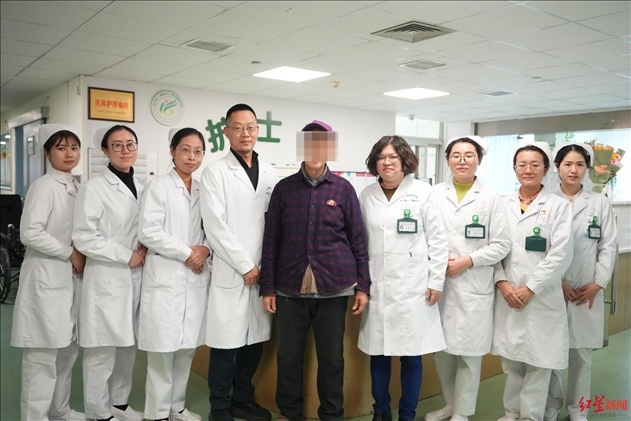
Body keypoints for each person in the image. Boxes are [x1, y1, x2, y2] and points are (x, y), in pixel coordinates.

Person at [259, 119, 370, 421]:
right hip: (289, 287)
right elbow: (271, 239)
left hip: (334, 287)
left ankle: (332, 415)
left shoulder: (343, 189)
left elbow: (358, 240)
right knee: (288, 357)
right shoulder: (284, 189)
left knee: (332, 358)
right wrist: (267, 287)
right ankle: (290, 414)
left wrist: (363, 286)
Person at [357, 135, 448, 421]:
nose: (387, 162)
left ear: (404, 160)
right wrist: (362, 284)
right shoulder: (367, 195)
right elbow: (360, 241)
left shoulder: (423, 192)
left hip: (414, 286)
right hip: (378, 284)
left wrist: (436, 281)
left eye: (393, 157)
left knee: (411, 354)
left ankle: (407, 414)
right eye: (381, 157)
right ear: (375, 162)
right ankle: (381, 410)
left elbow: (438, 240)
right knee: (379, 352)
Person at [199, 104, 277, 421]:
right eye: (238, 127)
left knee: (254, 342)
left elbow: (274, 223)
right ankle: (219, 405)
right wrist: (245, 265)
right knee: (225, 344)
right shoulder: (215, 172)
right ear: (226, 132)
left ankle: (243, 399)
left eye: (251, 127)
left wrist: (265, 266)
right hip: (233, 271)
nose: (245, 133)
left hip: (263, 271)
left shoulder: (270, 173)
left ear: (258, 131)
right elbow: (215, 226)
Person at [425, 136, 510, 421]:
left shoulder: (491, 198)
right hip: (438, 282)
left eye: (469, 155)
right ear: (447, 159)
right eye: (456, 155)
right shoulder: (434, 194)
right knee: (441, 352)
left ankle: (462, 412)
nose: (462, 161)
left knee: (469, 354)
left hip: (473, 281)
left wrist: (467, 260)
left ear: (479, 160)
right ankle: (450, 404)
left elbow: (501, 244)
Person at [492, 141, 573, 421]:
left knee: (539, 363)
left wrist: (530, 288)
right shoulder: (501, 203)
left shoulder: (559, 206)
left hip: (541, 296)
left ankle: (530, 416)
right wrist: (502, 282)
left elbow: (561, 254)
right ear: (514, 168)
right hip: (507, 293)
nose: (528, 169)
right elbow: (493, 247)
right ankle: (511, 412)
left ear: (546, 170)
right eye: (522, 164)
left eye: (535, 164)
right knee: (511, 361)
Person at [10, 124, 86, 421]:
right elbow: (30, 233)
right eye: (61, 148)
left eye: (74, 148)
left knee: (67, 351)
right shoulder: (44, 186)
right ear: (47, 153)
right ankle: (35, 416)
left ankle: (60, 410)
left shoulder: (76, 186)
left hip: (69, 280)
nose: (69, 154)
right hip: (46, 278)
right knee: (42, 355)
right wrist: (70, 252)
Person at [72, 125, 146, 421]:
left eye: (130, 144)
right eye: (117, 145)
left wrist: (145, 247)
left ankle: (119, 403)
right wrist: (126, 255)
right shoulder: (94, 188)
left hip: (136, 277)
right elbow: (83, 237)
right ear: (105, 151)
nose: (125, 150)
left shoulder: (142, 186)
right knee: (102, 350)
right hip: (107, 276)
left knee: (128, 345)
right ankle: (96, 411)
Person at [137, 128, 211, 421]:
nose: (192, 157)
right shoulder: (159, 186)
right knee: (161, 352)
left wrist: (205, 249)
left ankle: (176, 407)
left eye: (198, 151)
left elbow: (212, 230)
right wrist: (188, 253)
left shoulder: (204, 190)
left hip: (194, 278)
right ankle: (156, 414)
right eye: (186, 150)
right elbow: (148, 231)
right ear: (172, 151)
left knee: (186, 349)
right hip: (167, 275)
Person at [543, 142, 617, 421]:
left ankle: (578, 409)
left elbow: (607, 246)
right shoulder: (546, 200)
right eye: (567, 164)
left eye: (579, 164)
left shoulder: (599, 203)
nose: (573, 170)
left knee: (582, 355)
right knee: (550, 352)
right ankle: (551, 405)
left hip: (588, 289)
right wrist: (555, 281)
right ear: (557, 168)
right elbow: (541, 248)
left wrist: (599, 283)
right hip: (553, 288)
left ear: (587, 168)